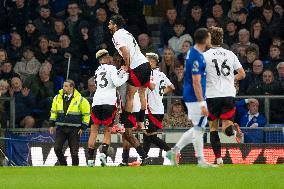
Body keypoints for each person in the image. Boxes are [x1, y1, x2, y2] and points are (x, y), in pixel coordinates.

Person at [166, 28, 214, 167]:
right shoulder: (196, 56)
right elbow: (196, 81)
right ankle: (200, 160)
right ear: (205, 39)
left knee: (199, 127)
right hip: (194, 96)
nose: (210, 40)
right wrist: (202, 103)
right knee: (199, 128)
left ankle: (175, 151)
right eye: (209, 37)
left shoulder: (195, 53)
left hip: (194, 95)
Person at [108, 15, 151, 165]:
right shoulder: (127, 33)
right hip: (145, 65)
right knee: (127, 135)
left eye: (110, 23)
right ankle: (140, 121)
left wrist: (127, 66)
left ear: (114, 24)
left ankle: (143, 156)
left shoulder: (117, 35)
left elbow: (126, 53)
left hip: (137, 68)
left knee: (127, 132)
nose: (108, 25)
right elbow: (135, 49)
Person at [203, 27, 246, 165]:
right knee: (226, 129)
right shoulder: (230, 54)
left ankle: (219, 160)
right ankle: (233, 131)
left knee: (213, 128)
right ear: (221, 39)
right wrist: (230, 79)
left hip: (212, 95)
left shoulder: (205, 55)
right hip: (228, 94)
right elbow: (242, 74)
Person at [87, 49, 129, 167]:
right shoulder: (111, 68)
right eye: (109, 56)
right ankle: (103, 155)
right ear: (105, 58)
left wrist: (120, 71)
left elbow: (106, 82)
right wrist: (125, 75)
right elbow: (116, 83)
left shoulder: (97, 71)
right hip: (109, 102)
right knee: (107, 131)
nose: (110, 58)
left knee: (93, 131)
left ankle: (90, 160)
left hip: (96, 102)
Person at [49, 79, 90, 166]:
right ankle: (64, 165)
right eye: (64, 86)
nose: (64, 88)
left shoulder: (81, 100)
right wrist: (52, 124)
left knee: (74, 152)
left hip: (74, 129)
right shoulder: (57, 98)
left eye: (66, 86)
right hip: (61, 128)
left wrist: (83, 127)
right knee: (56, 148)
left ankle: (75, 169)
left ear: (72, 87)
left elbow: (86, 115)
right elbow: (53, 112)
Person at [143, 52, 175, 157]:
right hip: (159, 109)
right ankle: (143, 158)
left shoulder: (150, 73)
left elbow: (151, 87)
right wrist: (160, 93)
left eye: (146, 61)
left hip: (151, 109)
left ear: (152, 62)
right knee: (147, 136)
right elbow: (172, 87)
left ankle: (171, 152)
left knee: (150, 136)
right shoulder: (161, 74)